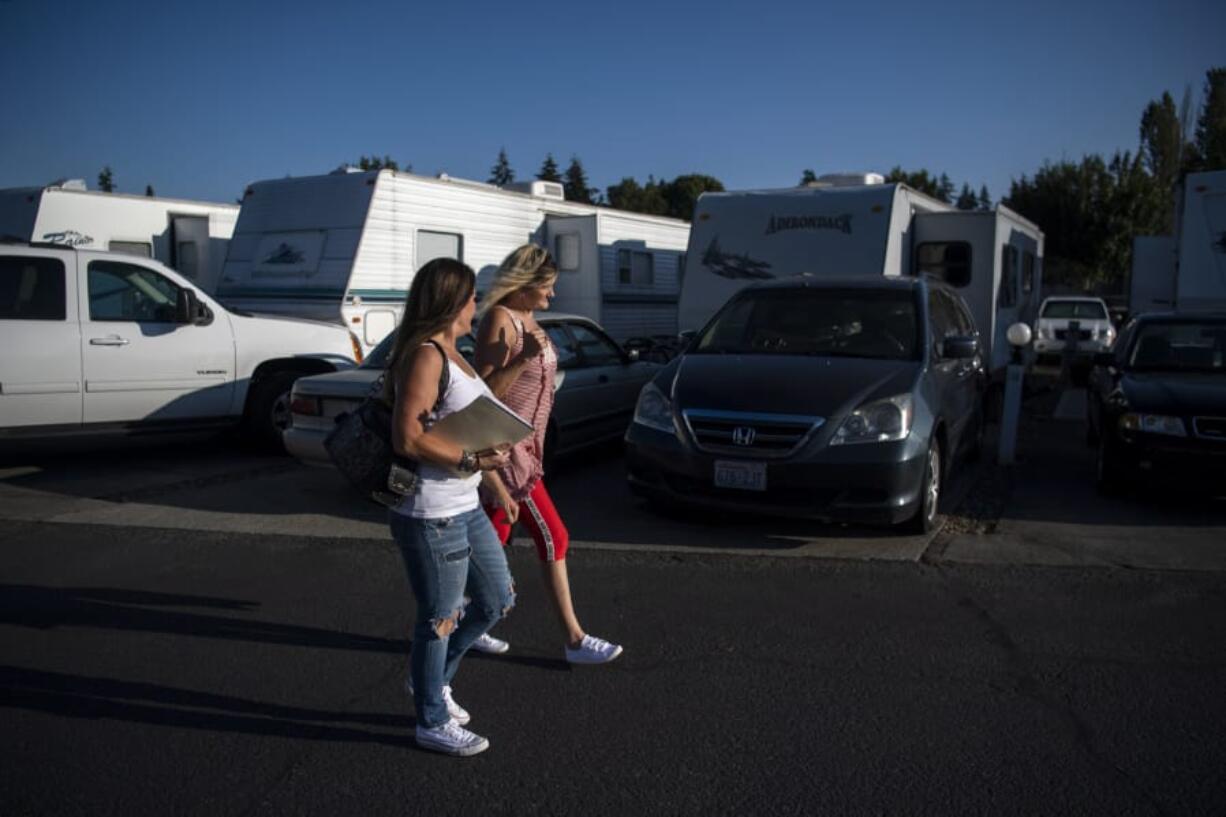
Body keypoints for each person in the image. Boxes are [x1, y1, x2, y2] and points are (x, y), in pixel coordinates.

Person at [386, 257, 520, 757]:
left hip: (466, 503)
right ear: (451, 302)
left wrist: (495, 484)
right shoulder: (426, 355)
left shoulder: (455, 353)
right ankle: (430, 719)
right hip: (431, 511)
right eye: (470, 297)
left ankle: (431, 679)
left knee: (496, 599)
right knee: (439, 617)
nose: (477, 305)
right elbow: (408, 438)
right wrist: (470, 459)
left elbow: (469, 426)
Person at [474, 244, 623, 665]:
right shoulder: (499, 320)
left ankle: (468, 620)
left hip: (530, 446)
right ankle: (574, 640)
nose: (552, 296)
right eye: (547, 288)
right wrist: (521, 360)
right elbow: (483, 395)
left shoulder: (527, 317)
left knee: (494, 537)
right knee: (553, 535)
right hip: (507, 452)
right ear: (524, 285)